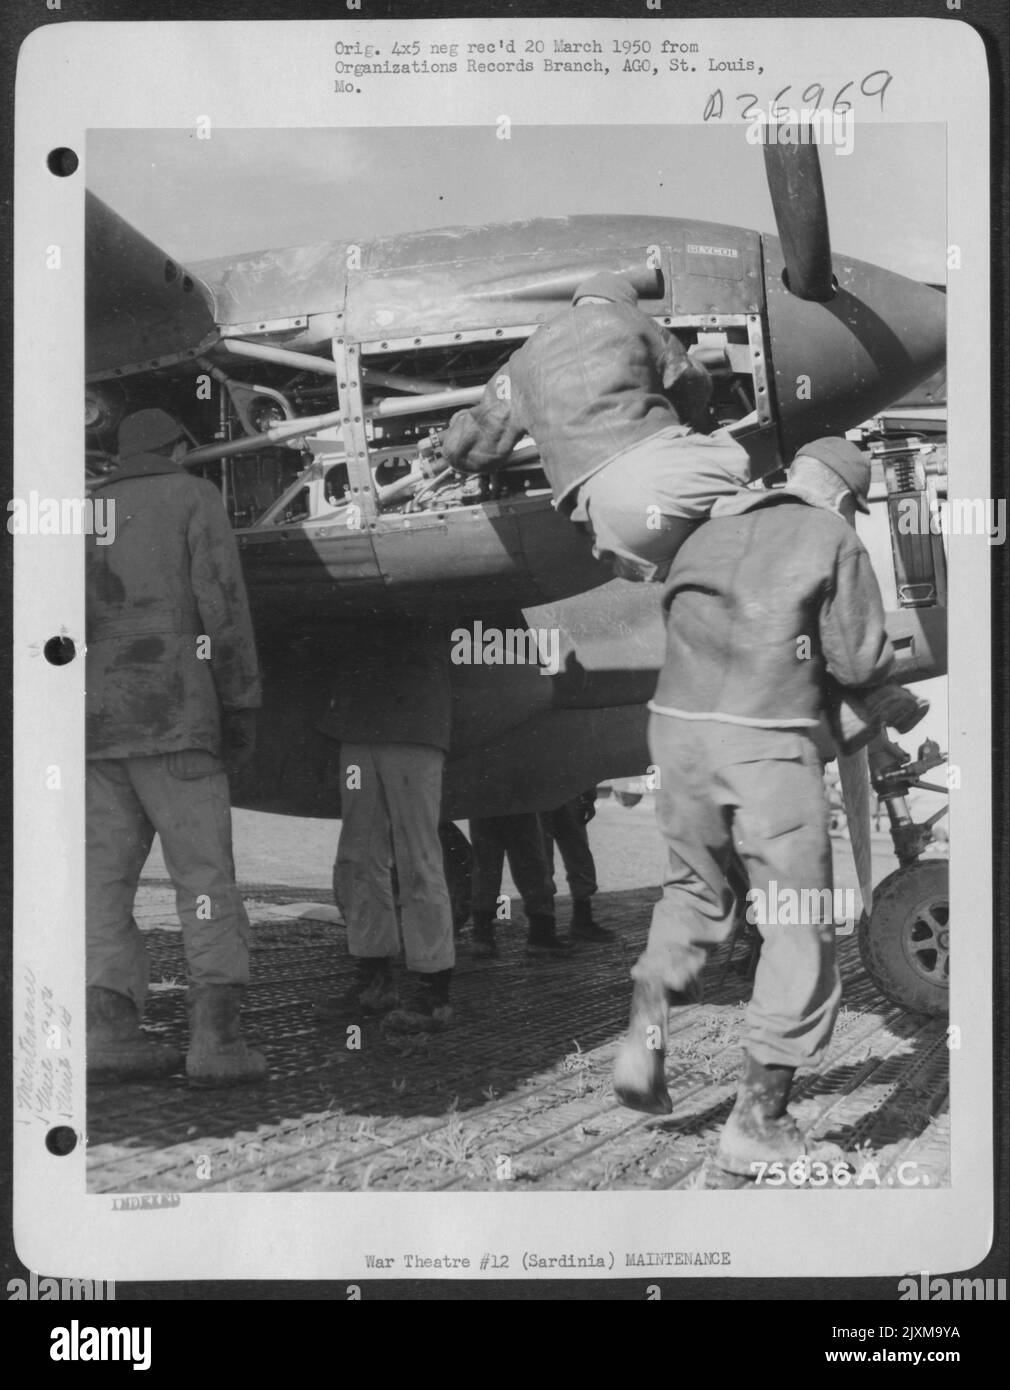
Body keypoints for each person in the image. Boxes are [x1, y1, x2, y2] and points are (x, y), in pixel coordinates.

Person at [612, 438, 902, 1176]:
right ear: (841, 498)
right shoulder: (830, 533)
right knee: (799, 920)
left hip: (673, 733)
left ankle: (647, 1026)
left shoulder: (706, 528)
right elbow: (859, 660)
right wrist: (888, 698)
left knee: (693, 890)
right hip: (765, 741)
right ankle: (759, 1122)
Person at [86, 408, 265, 1086]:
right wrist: (242, 701)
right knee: (203, 879)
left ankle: (110, 1032)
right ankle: (216, 1043)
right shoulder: (195, 496)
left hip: (97, 721)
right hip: (176, 714)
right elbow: (222, 605)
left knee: (102, 884)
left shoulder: (87, 508)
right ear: (180, 447)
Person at [441, 271, 752, 582]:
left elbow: (470, 447)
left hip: (610, 527)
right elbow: (692, 385)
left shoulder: (520, 362)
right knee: (738, 458)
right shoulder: (632, 321)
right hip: (660, 478)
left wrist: (448, 435)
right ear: (622, 303)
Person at [318, 621, 456, 1028]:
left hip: (414, 720)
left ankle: (434, 991)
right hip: (357, 723)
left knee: (418, 857)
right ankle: (374, 980)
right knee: (357, 855)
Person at [469, 814, 572, 958]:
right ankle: (541, 935)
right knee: (530, 861)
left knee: (485, 864)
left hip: (483, 804)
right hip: (518, 805)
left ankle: (482, 936)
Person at [539, 791, 614, 941]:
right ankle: (544, 929)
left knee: (579, 857)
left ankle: (581, 921)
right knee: (541, 861)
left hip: (565, 794)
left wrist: (588, 797)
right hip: (543, 795)